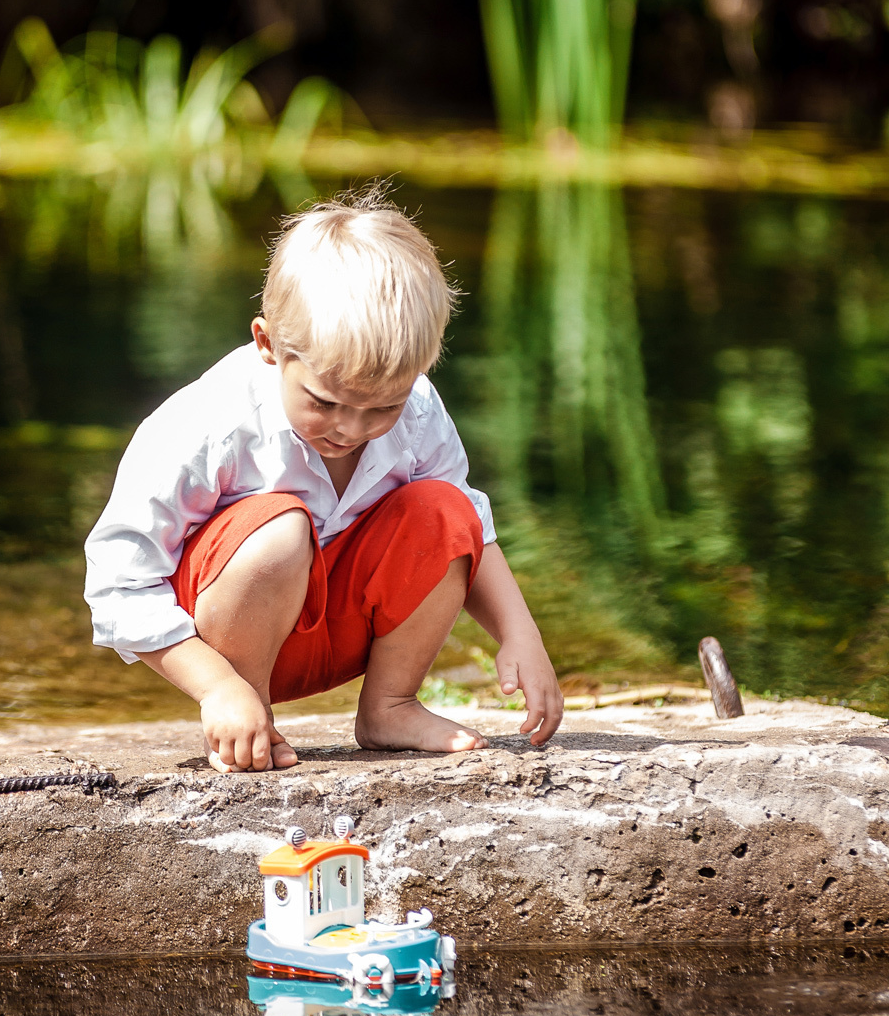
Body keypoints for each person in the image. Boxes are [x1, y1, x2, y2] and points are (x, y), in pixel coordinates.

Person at [84, 186, 563, 772]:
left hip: (343, 633)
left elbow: (467, 525)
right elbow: (119, 583)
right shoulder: (207, 425)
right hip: (230, 645)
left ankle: (390, 705)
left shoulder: (414, 406)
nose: (351, 429)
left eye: (381, 408)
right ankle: (249, 714)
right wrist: (216, 688)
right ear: (268, 345)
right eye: (325, 402)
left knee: (444, 507)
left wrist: (521, 635)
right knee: (279, 527)